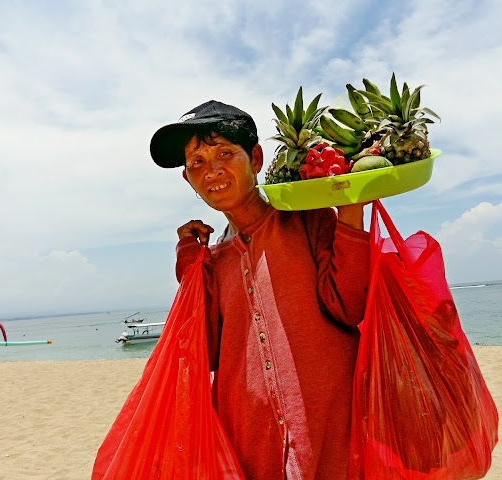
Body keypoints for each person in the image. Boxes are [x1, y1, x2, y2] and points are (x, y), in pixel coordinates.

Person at [150, 100, 370, 480]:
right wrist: (189, 260)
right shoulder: (213, 260)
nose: (212, 170)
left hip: (332, 433)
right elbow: (205, 350)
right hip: (252, 444)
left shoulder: (308, 220)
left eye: (224, 153)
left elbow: (349, 306)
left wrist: (351, 207)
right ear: (188, 179)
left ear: (255, 158)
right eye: (197, 162)